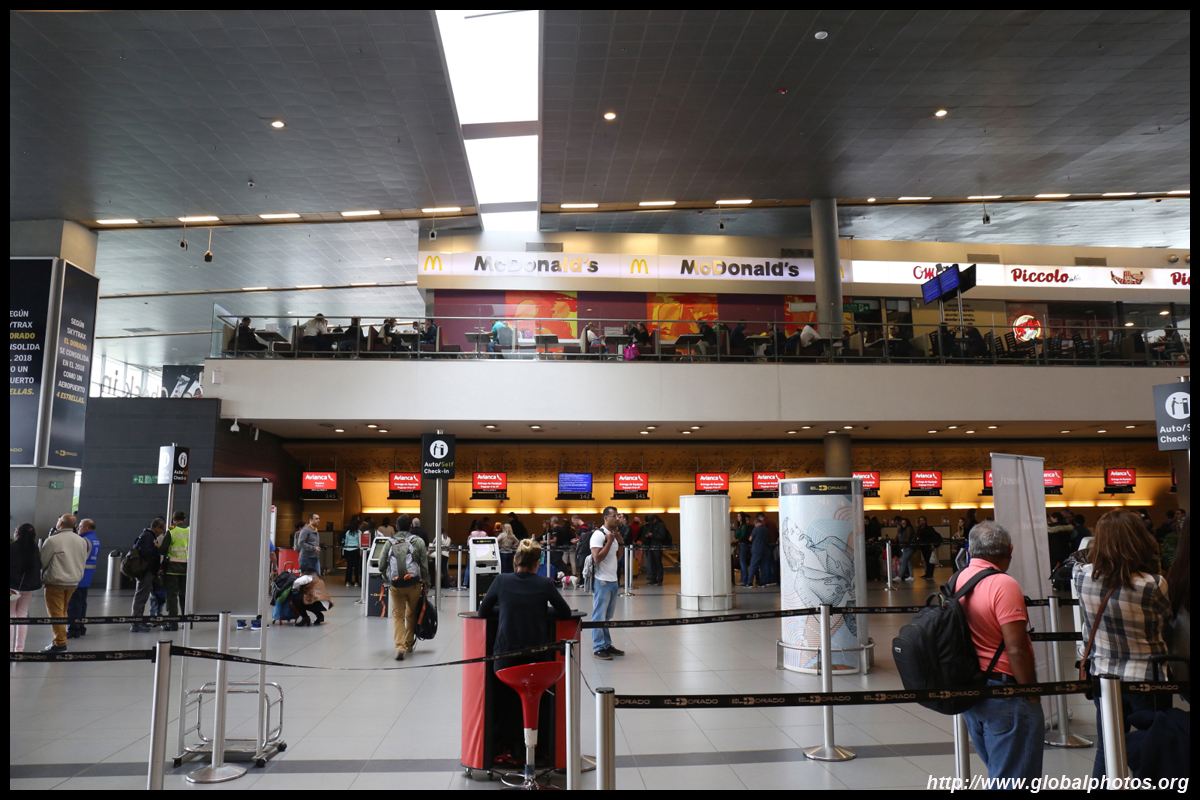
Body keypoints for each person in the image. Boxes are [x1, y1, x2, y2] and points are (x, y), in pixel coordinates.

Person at [1073, 509, 1170, 779]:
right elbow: (1166, 616)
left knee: (1108, 750)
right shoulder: (1153, 584)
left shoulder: (1082, 576)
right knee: (1156, 748)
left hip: (1103, 676)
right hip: (1146, 678)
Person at [958, 520, 1044, 782]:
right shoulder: (1004, 584)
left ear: (970, 550)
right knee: (1014, 779)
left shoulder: (958, 579)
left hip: (973, 688)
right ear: (1010, 550)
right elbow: (1016, 649)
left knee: (1000, 773)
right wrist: (1031, 694)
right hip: (1006, 691)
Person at [478, 538, 574, 766]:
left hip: (505, 661)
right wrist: (539, 609)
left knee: (507, 701)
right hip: (537, 662)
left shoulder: (501, 581)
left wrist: (507, 608)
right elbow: (565, 612)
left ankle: (511, 750)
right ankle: (540, 749)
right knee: (540, 699)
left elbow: (483, 612)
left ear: (515, 559)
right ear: (537, 563)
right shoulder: (544, 584)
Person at [381, 515, 429, 660]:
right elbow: (424, 565)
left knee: (398, 616)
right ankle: (408, 644)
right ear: (410, 527)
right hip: (413, 584)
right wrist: (426, 583)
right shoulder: (418, 541)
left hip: (396, 585)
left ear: (396, 527)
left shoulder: (389, 543)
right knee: (411, 614)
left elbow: (381, 565)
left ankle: (399, 648)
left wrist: (388, 577)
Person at [40, 514, 90, 652]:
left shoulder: (53, 540)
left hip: (56, 581)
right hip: (73, 581)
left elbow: (43, 561)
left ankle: (60, 643)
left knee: (56, 613)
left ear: (61, 524)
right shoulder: (81, 541)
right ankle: (61, 640)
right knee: (63, 611)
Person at [590, 508, 624, 660]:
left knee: (606, 616)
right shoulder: (599, 535)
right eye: (614, 516)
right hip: (602, 581)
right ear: (605, 518)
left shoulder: (613, 535)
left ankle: (606, 644)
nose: (617, 518)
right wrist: (609, 541)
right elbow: (597, 558)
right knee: (599, 615)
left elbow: (617, 558)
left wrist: (620, 542)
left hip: (613, 580)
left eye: (618, 515)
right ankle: (598, 647)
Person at [65, 519, 101, 639]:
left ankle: (73, 629)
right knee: (82, 603)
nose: (77, 529)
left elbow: (74, 557)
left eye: (79, 526)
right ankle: (81, 627)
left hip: (78, 575)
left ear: (86, 528)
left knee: (73, 604)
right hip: (87, 576)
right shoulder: (95, 540)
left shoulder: (83, 541)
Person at [10, 523, 42, 653]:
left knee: (10, 615)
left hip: (12, 587)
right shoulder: (35, 549)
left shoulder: (12, 548)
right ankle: (20, 649)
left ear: (18, 533)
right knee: (22, 615)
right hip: (28, 587)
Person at [129, 517, 164, 633]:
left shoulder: (148, 535)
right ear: (157, 527)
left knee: (143, 597)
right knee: (141, 597)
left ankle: (139, 620)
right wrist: (156, 548)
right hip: (145, 571)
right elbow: (145, 552)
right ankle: (136, 623)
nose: (162, 532)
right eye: (162, 529)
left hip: (148, 571)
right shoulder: (148, 536)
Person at [158, 511, 190, 631]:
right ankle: (187, 622)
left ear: (173, 519)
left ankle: (173, 623)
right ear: (185, 519)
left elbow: (162, 550)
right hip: (187, 569)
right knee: (185, 595)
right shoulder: (191, 531)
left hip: (172, 569)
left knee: (171, 595)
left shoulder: (172, 531)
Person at [642, 514, 669, 586]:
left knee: (658, 563)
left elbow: (662, 536)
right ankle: (653, 578)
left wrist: (652, 535)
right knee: (652, 563)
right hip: (651, 546)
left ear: (655, 519)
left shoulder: (660, 525)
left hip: (658, 546)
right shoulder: (652, 525)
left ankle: (660, 579)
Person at [745, 513, 771, 588]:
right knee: (763, 566)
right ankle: (763, 582)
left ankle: (749, 582)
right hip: (764, 549)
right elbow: (767, 539)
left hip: (756, 549)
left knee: (753, 565)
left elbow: (750, 539)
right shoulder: (766, 529)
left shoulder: (756, 529)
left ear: (756, 523)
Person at [914, 515, 941, 580]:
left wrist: (932, 545)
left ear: (925, 521)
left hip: (928, 546)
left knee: (930, 561)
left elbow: (932, 537)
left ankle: (930, 574)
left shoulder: (929, 528)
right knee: (926, 560)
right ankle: (927, 573)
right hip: (923, 546)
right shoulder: (919, 528)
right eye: (920, 520)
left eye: (922, 520)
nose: (921, 522)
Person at [734, 512, 753, 587]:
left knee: (742, 562)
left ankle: (744, 579)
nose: (738, 518)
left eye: (739, 516)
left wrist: (736, 540)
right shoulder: (740, 526)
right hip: (741, 544)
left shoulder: (744, 526)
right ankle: (744, 579)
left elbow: (742, 536)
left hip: (743, 545)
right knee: (742, 562)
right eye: (737, 516)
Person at [343, 519, 363, 587]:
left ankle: (347, 581)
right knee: (356, 566)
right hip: (355, 549)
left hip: (348, 550)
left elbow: (346, 542)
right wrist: (361, 551)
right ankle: (356, 581)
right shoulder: (359, 532)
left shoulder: (348, 532)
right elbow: (360, 542)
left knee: (349, 566)